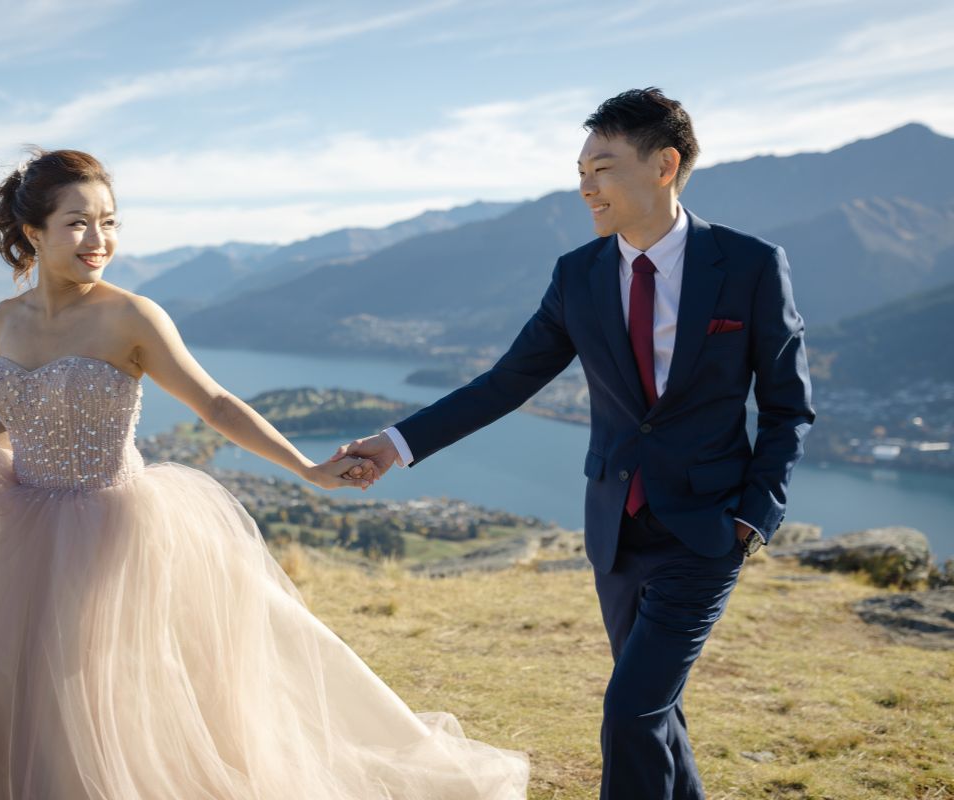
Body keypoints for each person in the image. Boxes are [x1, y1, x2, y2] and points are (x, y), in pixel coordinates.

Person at [0, 149, 529, 799]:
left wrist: (307, 468)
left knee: (82, 691)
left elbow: (217, 403)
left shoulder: (132, 316)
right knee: (28, 684)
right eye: (78, 223)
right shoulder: (5, 320)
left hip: (109, 523)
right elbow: (22, 414)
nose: (99, 239)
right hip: (24, 513)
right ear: (33, 231)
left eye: (110, 222)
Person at [335, 88, 815, 799]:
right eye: (581, 170)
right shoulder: (578, 274)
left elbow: (787, 407)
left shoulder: (747, 265)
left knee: (628, 710)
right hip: (615, 530)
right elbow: (505, 384)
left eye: (603, 167)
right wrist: (396, 443)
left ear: (665, 165)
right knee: (653, 711)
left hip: (708, 530)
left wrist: (754, 515)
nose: (585, 186)